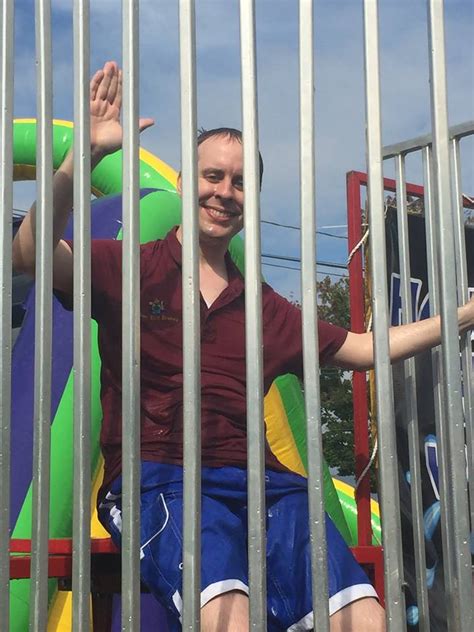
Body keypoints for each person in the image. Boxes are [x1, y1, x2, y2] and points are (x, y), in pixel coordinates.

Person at [13, 61, 474, 632]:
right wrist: (81, 156)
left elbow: (359, 348)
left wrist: (463, 315)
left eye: (237, 183)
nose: (223, 192)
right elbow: (31, 254)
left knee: (366, 618)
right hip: (158, 475)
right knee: (228, 617)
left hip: (262, 482)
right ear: (186, 183)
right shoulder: (133, 267)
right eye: (212, 176)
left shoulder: (258, 304)